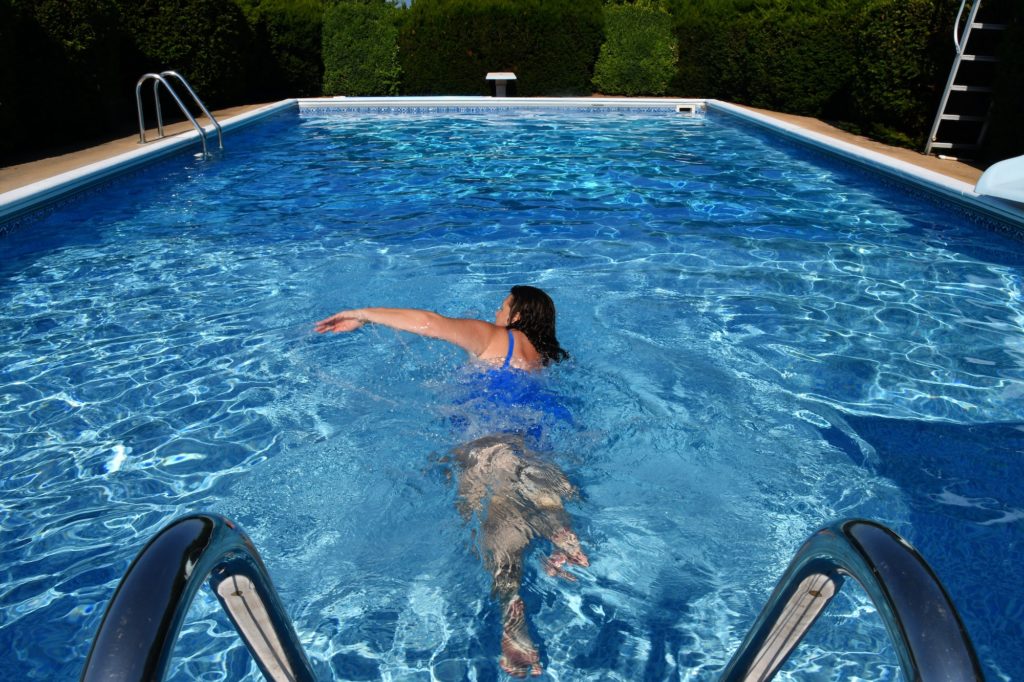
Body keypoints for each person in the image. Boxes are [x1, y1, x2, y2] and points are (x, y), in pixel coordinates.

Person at [315, 285, 588, 677]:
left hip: (486, 450)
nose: (496, 311)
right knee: (532, 486)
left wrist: (362, 312)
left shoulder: (498, 338)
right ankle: (559, 533)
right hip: (534, 450)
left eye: (502, 306)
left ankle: (514, 621)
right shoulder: (541, 359)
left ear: (516, 315)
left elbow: (430, 323)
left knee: (497, 535)